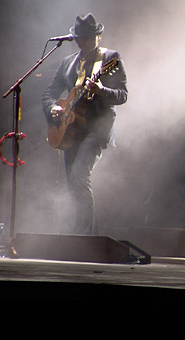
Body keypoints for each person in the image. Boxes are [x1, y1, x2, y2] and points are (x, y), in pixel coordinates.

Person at [42, 13, 128, 235]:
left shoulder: (111, 59)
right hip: (71, 130)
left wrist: (101, 90)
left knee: (80, 175)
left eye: (88, 38)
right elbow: (49, 93)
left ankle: (81, 236)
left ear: (98, 36)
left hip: (96, 129)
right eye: (80, 38)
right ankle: (89, 234)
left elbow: (122, 95)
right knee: (73, 182)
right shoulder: (67, 63)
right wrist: (52, 107)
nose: (84, 42)